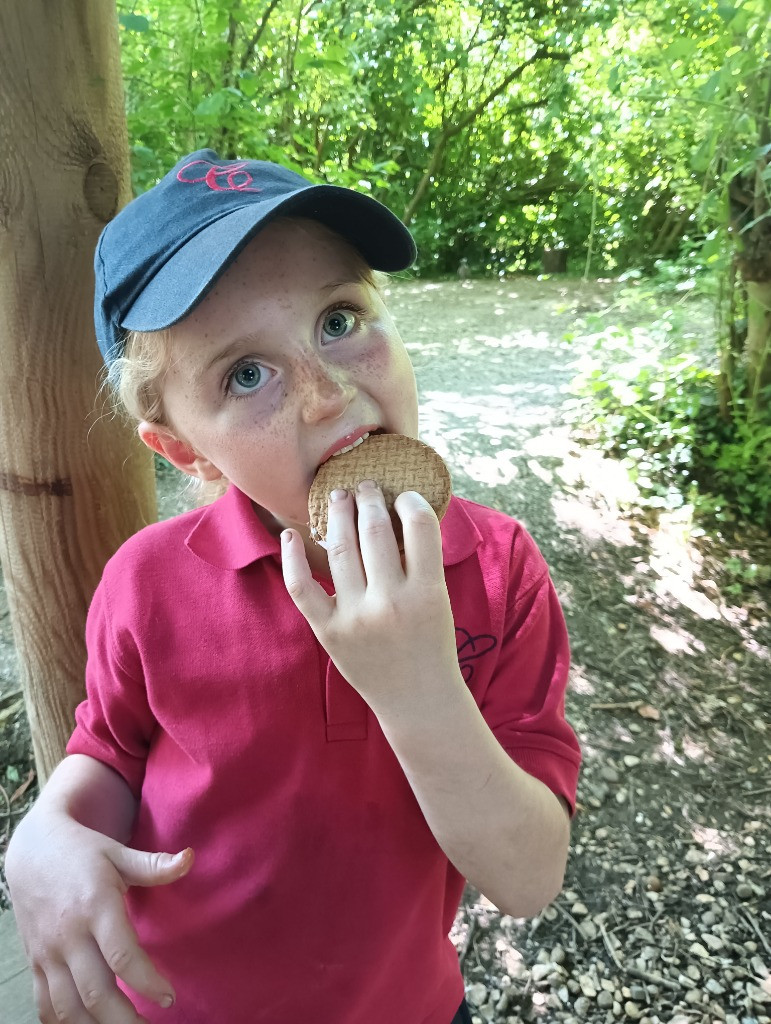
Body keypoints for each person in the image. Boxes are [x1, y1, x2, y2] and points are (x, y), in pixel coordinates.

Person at [6, 149, 581, 1024]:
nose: (326, 392)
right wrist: (48, 833)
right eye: (245, 373)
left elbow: (528, 879)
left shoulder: (499, 572)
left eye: (339, 319)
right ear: (185, 450)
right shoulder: (149, 583)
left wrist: (416, 688)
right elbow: (110, 753)